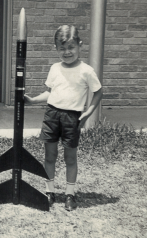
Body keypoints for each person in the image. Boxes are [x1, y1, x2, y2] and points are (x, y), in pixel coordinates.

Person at [24, 25, 103, 211]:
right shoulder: (54, 68)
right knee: (50, 156)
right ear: (56, 48)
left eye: (71, 47)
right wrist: (33, 100)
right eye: (62, 48)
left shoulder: (87, 71)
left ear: (79, 45)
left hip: (72, 117)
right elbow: (50, 93)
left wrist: (88, 112)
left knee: (70, 158)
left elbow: (98, 92)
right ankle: (49, 191)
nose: (67, 52)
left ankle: (69, 194)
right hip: (52, 115)